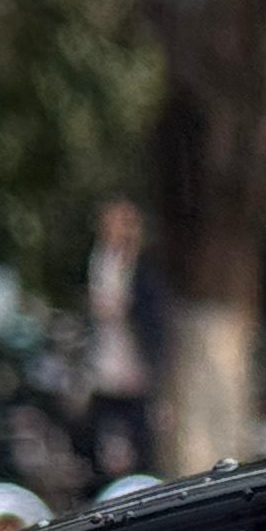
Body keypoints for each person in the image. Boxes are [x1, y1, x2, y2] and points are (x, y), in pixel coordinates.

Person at [80, 198, 164, 484]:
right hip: (105, 361)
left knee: (141, 432)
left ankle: (145, 483)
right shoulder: (99, 260)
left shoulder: (142, 264)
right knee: (92, 428)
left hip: (135, 361)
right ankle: (98, 484)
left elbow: (151, 313)